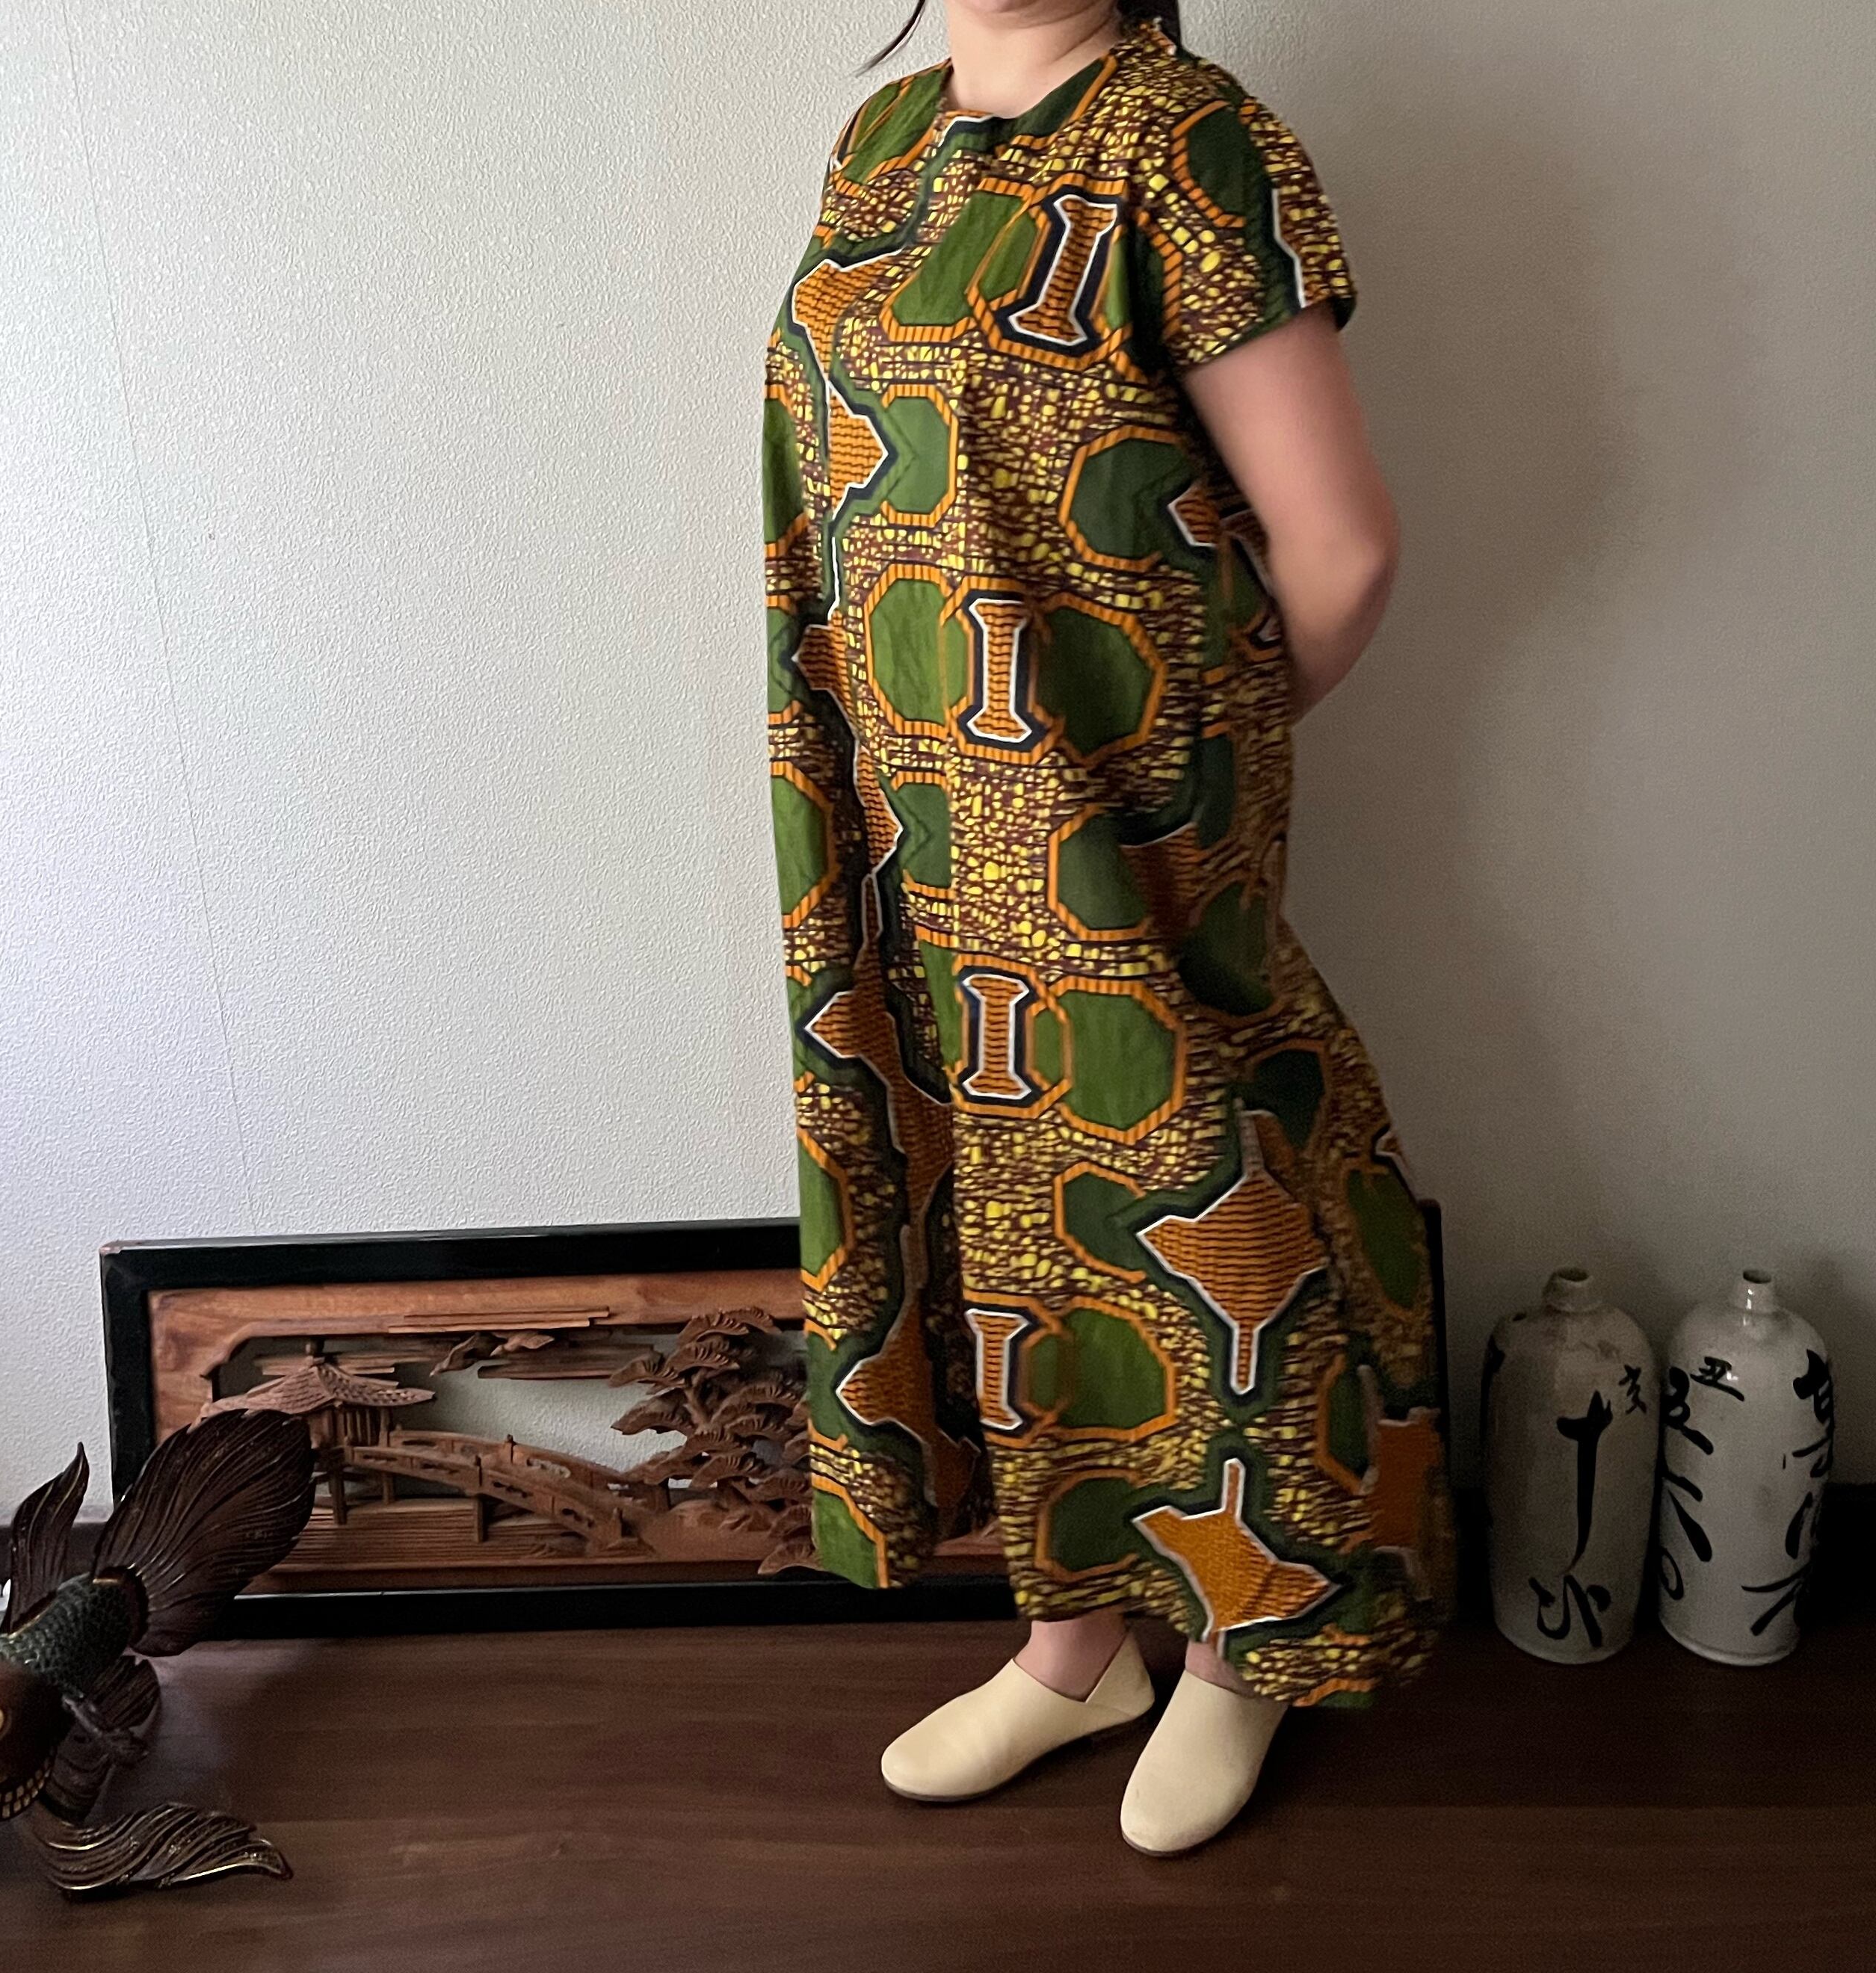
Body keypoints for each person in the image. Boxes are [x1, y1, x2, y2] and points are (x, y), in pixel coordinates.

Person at [762, 0, 1454, 1856]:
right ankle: (1076, 1650)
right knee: (1003, 1203)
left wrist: (1177, 776)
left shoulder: (1187, 137)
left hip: (1117, 813)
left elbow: (1341, 543)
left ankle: (1241, 1641)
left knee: (1202, 1199)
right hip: (907, 801)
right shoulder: (880, 148)